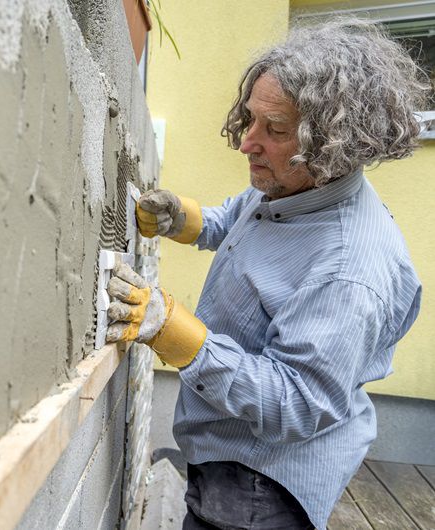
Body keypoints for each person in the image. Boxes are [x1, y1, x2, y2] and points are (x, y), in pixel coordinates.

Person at [105, 19, 430, 530]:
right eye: (251, 119)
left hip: (260, 486)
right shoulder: (291, 183)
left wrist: (175, 334)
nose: (247, 143)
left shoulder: (348, 271)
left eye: (275, 130)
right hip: (230, 447)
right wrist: (187, 218)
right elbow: (246, 216)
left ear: (332, 146)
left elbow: (296, 405)